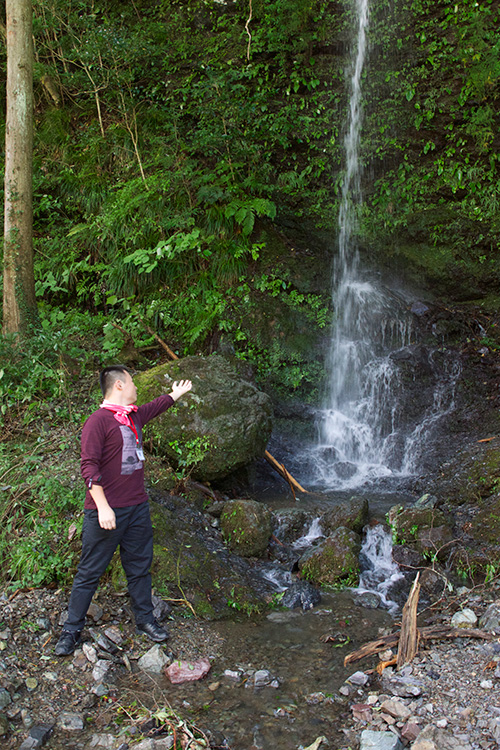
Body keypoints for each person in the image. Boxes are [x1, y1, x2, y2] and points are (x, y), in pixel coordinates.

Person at [55, 365, 192, 656]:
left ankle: (145, 620)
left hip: (137, 507)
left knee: (140, 567)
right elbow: (88, 468)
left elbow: (155, 407)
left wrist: (175, 395)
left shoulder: (133, 416)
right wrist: (103, 508)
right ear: (118, 385)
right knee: (90, 572)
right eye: (132, 382)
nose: (136, 387)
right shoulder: (97, 422)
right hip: (106, 511)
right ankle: (71, 630)